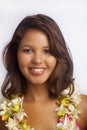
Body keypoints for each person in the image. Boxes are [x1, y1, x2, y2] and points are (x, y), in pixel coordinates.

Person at [0, 14, 87, 130]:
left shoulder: (83, 106)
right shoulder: (4, 116)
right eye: (28, 50)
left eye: (47, 51)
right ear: (15, 54)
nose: (37, 60)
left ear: (58, 55)